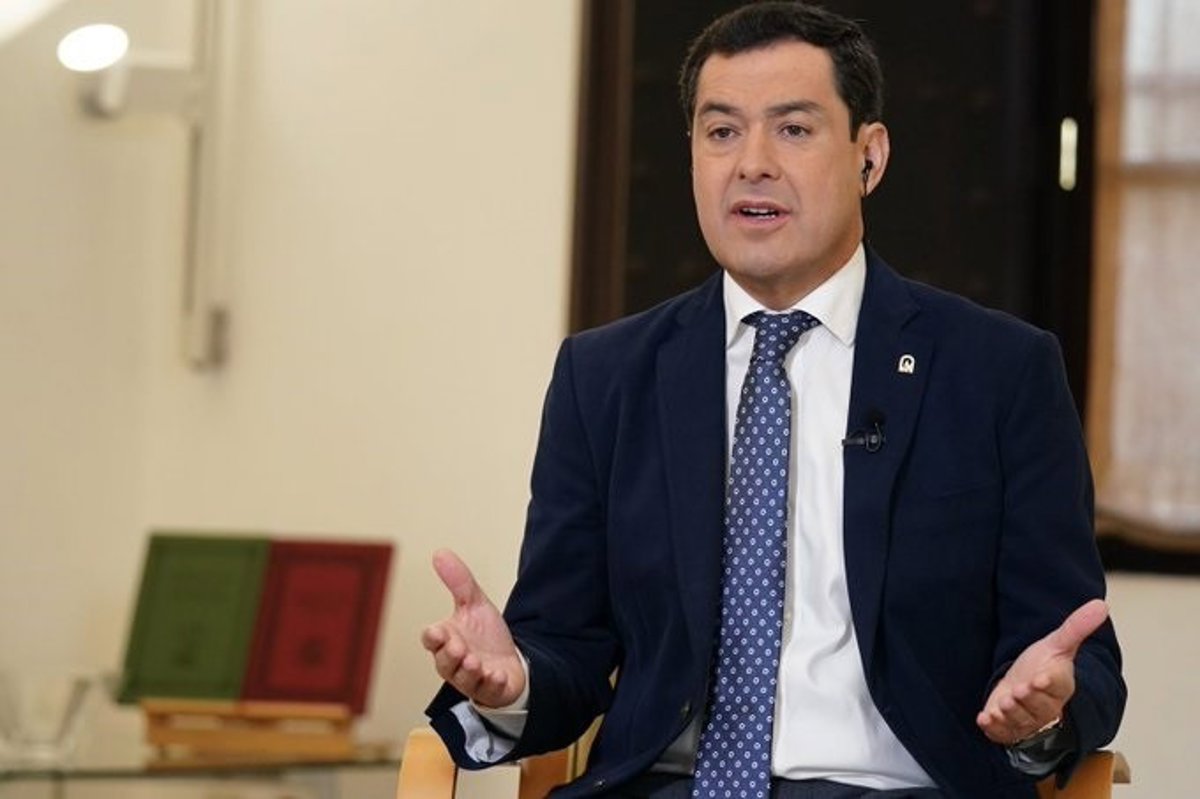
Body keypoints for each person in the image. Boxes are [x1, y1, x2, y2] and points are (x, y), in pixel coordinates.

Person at [420, 3, 1125, 797]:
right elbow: (566, 647)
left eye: (793, 129)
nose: (751, 163)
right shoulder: (606, 375)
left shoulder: (999, 371)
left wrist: (1044, 713)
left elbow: (1077, 653)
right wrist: (513, 682)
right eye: (721, 131)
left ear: (869, 156)